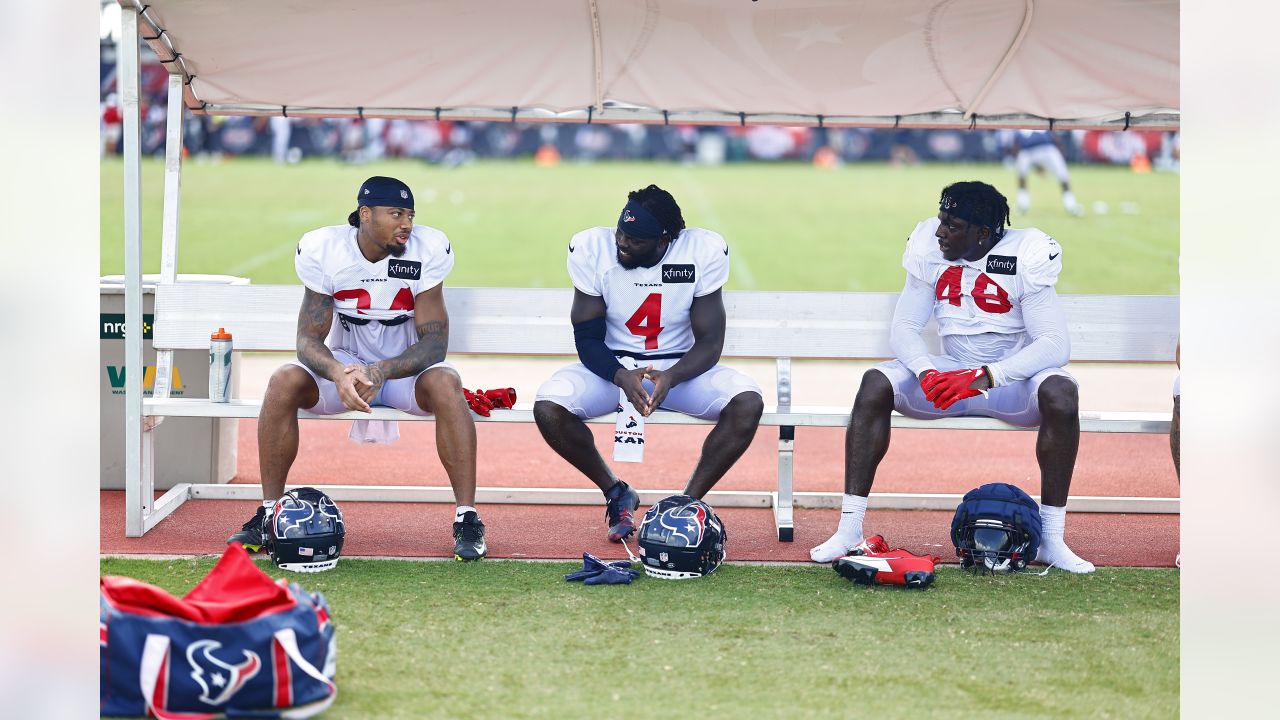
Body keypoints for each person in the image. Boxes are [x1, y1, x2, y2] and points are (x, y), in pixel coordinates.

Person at [810, 180, 1095, 573]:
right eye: (942, 219)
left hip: (1008, 381)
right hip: (949, 376)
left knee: (1062, 394)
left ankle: (1051, 539)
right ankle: (848, 529)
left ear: (983, 233)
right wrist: (927, 370)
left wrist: (985, 376)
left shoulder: (1025, 252)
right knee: (875, 383)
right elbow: (905, 327)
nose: (940, 231)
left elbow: (1053, 344)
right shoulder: (929, 244)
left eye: (953, 225)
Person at [227, 176, 488, 561]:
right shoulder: (326, 249)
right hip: (347, 358)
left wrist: (382, 371)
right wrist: (337, 372)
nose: (407, 224)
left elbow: (435, 343)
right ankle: (270, 513)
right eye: (396, 214)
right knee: (283, 380)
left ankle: (467, 517)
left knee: (448, 382)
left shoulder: (427, 249)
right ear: (365, 214)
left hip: (402, 364)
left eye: (411, 215)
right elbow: (307, 339)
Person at [532, 185, 764, 542]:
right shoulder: (594, 250)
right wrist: (620, 374)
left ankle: (683, 507)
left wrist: (673, 375)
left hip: (679, 370)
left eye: (636, 240)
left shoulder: (699, 252)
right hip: (614, 369)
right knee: (549, 408)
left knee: (747, 403)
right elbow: (588, 338)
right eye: (621, 233)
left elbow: (710, 342)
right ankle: (615, 491)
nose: (623, 243)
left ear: (665, 240)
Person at [1010, 129, 1084, 216]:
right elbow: (1016, 144)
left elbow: (1054, 137)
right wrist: (1037, 167)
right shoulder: (1021, 125)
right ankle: (1023, 204)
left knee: (1063, 175)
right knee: (1021, 174)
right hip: (1027, 150)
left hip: (1047, 148)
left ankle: (1071, 205)